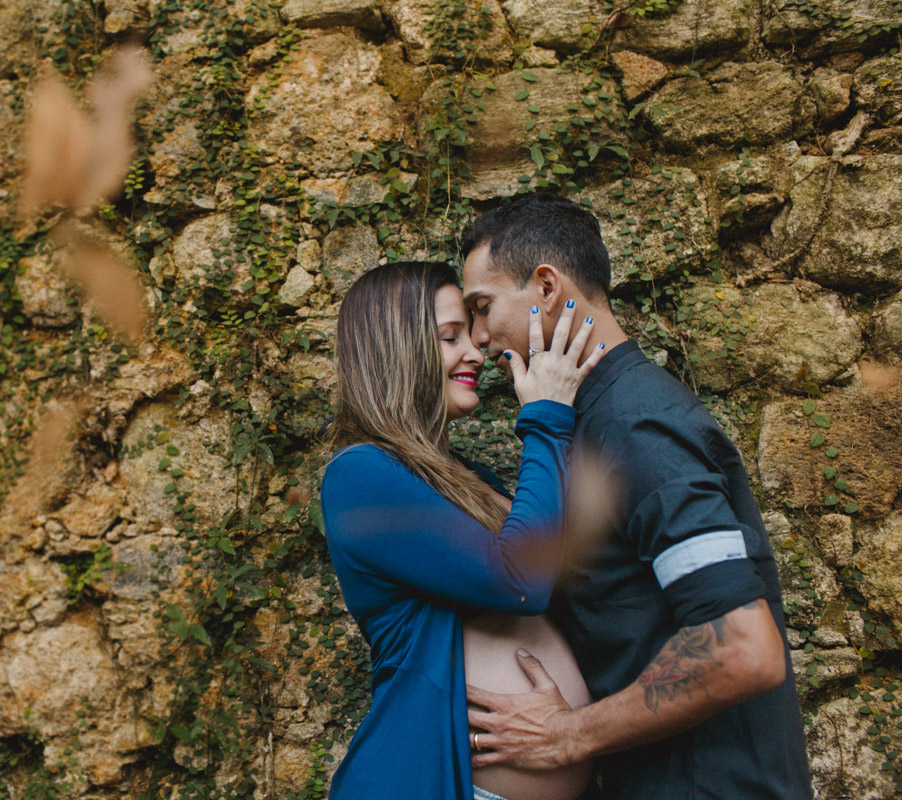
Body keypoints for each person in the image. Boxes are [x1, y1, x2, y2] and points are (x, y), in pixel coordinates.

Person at [459, 193, 812, 798]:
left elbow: (741, 647)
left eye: (483, 307)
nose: (479, 337)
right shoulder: (587, 419)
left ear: (546, 287)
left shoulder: (634, 424)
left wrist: (570, 734)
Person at [319, 260, 605, 800]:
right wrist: (545, 415)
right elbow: (520, 579)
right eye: (450, 338)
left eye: (470, 335)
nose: (475, 352)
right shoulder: (360, 474)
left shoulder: (468, 479)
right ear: (396, 350)